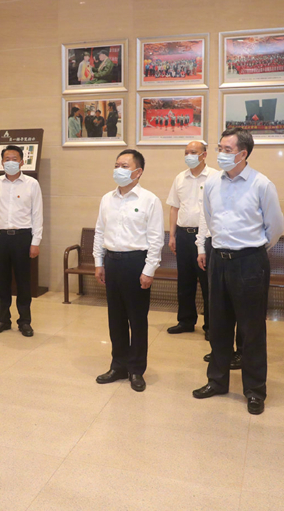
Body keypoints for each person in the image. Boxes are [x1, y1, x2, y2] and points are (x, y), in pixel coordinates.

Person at [193, 127, 284, 416]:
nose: (221, 154)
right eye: (219, 148)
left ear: (243, 154)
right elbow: (209, 219)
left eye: (227, 150)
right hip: (218, 259)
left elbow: (275, 227)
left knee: (251, 329)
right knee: (218, 325)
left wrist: (252, 251)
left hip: (249, 261)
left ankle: (254, 390)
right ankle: (217, 380)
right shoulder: (211, 183)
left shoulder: (261, 184)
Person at [93, 149, 163, 392]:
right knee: (116, 318)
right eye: (116, 165)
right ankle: (118, 365)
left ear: (138, 171)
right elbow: (100, 231)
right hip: (112, 261)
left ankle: (136, 369)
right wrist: (99, 262)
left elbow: (156, 239)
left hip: (136, 263)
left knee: (137, 319)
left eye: (124, 166)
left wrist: (149, 270)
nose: (118, 170)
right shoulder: (107, 199)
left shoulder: (149, 200)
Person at [0, 145, 44, 337]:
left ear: (22, 162)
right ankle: (3, 320)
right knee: (1, 281)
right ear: (2, 162)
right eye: (7, 159)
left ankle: (24, 321)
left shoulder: (32, 184)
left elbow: (37, 215)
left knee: (24, 282)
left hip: (23, 238)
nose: (10, 162)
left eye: (14, 159)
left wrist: (36, 242)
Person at [166, 141, 216, 338]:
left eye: (193, 152)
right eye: (186, 152)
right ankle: (186, 321)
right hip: (183, 235)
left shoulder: (215, 177)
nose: (189, 156)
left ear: (204, 155)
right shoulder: (180, 178)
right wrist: (172, 235)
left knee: (208, 283)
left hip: (206, 237)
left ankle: (211, 326)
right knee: (185, 281)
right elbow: (174, 208)